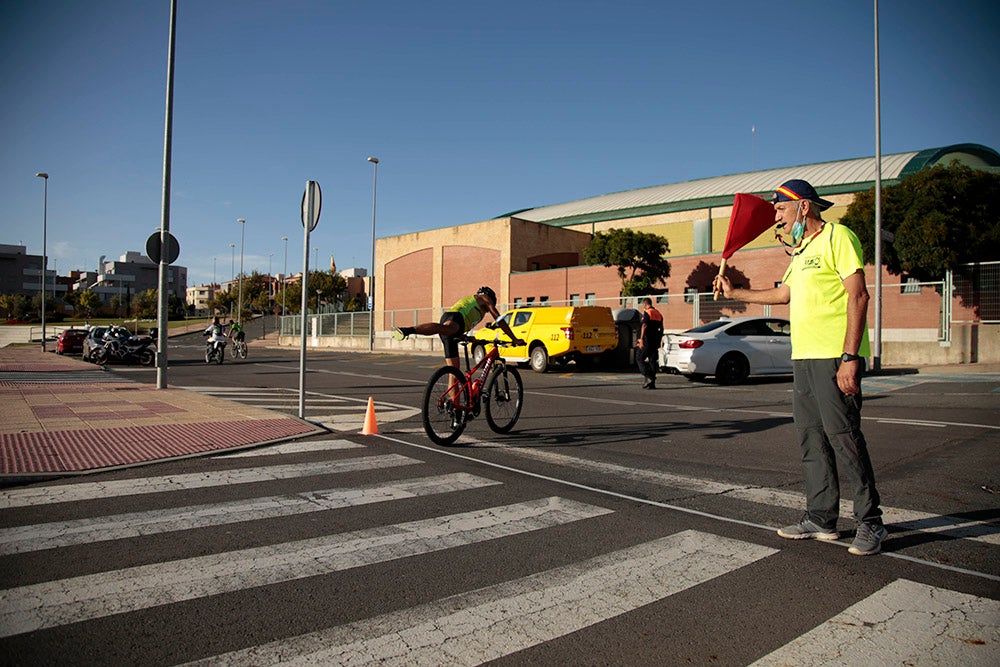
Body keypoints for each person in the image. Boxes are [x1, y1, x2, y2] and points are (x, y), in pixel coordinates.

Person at [713, 178, 887, 556]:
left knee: (844, 437)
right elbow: (784, 294)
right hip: (804, 356)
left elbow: (858, 295)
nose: (776, 216)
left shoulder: (837, 237)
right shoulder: (802, 248)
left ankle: (871, 522)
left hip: (833, 355)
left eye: (780, 209)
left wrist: (849, 357)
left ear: (803, 207)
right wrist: (735, 291)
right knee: (812, 439)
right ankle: (821, 518)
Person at [392, 286, 524, 369]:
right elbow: (499, 320)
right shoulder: (484, 298)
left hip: (455, 326)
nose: (487, 311)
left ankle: (453, 405)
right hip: (455, 317)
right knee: (444, 328)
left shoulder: (478, 310)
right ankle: (408, 330)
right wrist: (514, 338)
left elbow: (463, 326)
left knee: (454, 372)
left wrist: (466, 337)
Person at [636, 297, 664, 389]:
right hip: (655, 341)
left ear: (645, 304)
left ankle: (650, 376)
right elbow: (661, 328)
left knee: (639, 357)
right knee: (652, 360)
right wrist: (659, 339)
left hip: (647, 339)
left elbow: (644, 325)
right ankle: (652, 384)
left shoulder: (648, 312)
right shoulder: (658, 313)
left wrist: (641, 339)